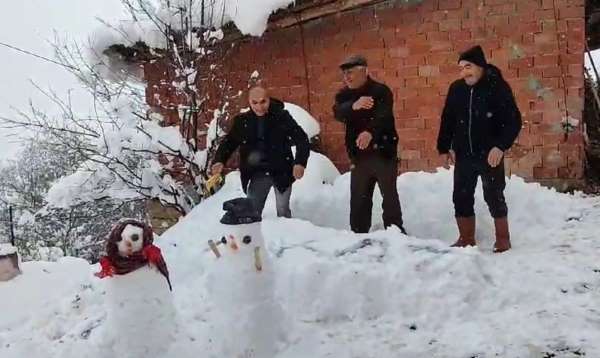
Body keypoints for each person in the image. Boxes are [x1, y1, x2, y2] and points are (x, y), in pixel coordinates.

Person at [437, 45, 522, 253]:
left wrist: (500, 146)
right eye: (461, 68)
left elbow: (513, 121)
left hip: (489, 153)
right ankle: (466, 238)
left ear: (481, 66)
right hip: (463, 154)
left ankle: (503, 238)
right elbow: (447, 118)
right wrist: (444, 146)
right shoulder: (456, 89)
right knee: (461, 195)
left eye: (468, 66)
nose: (464, 72)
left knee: (494, 194)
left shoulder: (497, 86)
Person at [333, 54, 406, 234]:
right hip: (359, 156)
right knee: (359, 198)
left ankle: (395, 232)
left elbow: (383, 116)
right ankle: (358, 234)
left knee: (389, 196)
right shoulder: (344, 96)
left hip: (383, 152)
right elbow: (337, 112)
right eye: (344, 74)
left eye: (350, 72)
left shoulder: (381, 91)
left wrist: (370, 132)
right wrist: (354, 106)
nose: (347, 77)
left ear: (364, 71)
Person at [211, 85, 310, 218]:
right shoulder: (242, 122)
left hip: (281, 170)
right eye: (255, 102)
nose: (259, 106)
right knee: (252, 210)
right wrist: (219, 160)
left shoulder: (282, 117)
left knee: (283, 210)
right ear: (249, 102)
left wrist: (300, 163)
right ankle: (254, 237)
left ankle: (285, 235)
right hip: (257, 173)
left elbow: (301, 139)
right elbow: (229, 142)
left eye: (263, 101)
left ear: (269, 100)